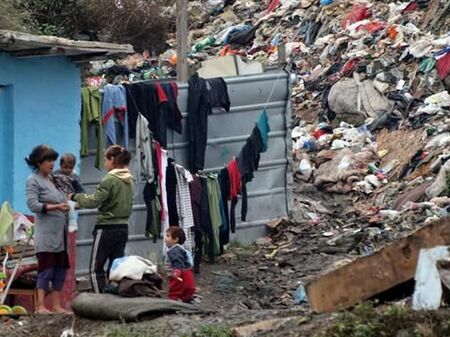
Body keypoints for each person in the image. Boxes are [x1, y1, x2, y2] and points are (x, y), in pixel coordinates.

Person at [71, 145, 133, 293]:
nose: (105, 163)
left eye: (106, 160)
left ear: (112, 160)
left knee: (95, 267)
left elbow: (93, 201)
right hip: (123, 227)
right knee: (116, 266)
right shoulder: (130, 179)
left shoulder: (110, 179)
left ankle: (100, 299)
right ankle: (116, 296)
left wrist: (75, 196)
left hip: (106, 228)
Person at [25, 145, 70, 314]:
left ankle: (57, 305)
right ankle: (40, 306)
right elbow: (33, 205)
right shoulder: (33, 180)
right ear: (38, 163)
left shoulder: (53, 179)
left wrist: (68, 202)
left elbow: (62, 197)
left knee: (60, 268)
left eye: (53, 160)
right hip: (47, 234)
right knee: (46, 268)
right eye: (48, 160)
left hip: (61, 233)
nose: (52, 164)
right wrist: (57, 206)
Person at [164, 226, 196, 303]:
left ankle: (172, 304)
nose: (165, 238)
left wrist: (176, 271)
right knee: (188, 289)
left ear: (175, 239)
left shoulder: (174, 250)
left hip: (179, 275)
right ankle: (188, 299)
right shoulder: (181, 248)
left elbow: (177, 262)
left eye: (168, 236)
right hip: (187, 273)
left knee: (174, 291)